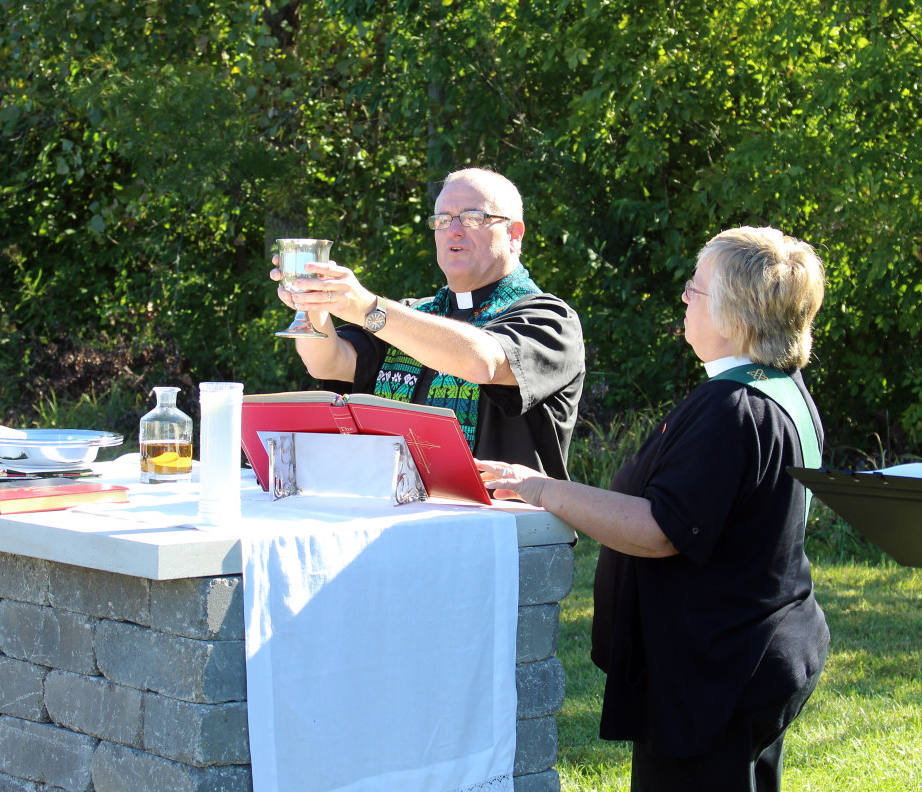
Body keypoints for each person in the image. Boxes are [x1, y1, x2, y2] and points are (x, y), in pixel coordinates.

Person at [477, 226, 830, 791]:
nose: (685, 298)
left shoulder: (732, 408)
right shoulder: (778, 388)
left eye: (696, 287)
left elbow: (660, 529)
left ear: (734, 312)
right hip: (752, 650)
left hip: (716, 670)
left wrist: (540, 489)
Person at [270, 167, 585, 479]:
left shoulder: (549, 320)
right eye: (443, 220)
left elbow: (480, 362)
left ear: (514, 234)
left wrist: (369, 309)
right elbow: (327, 363)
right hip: (406, 515)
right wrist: (313, 302)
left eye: (473, 217)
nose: (454, 230)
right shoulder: (411, 315)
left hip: (507, 522)